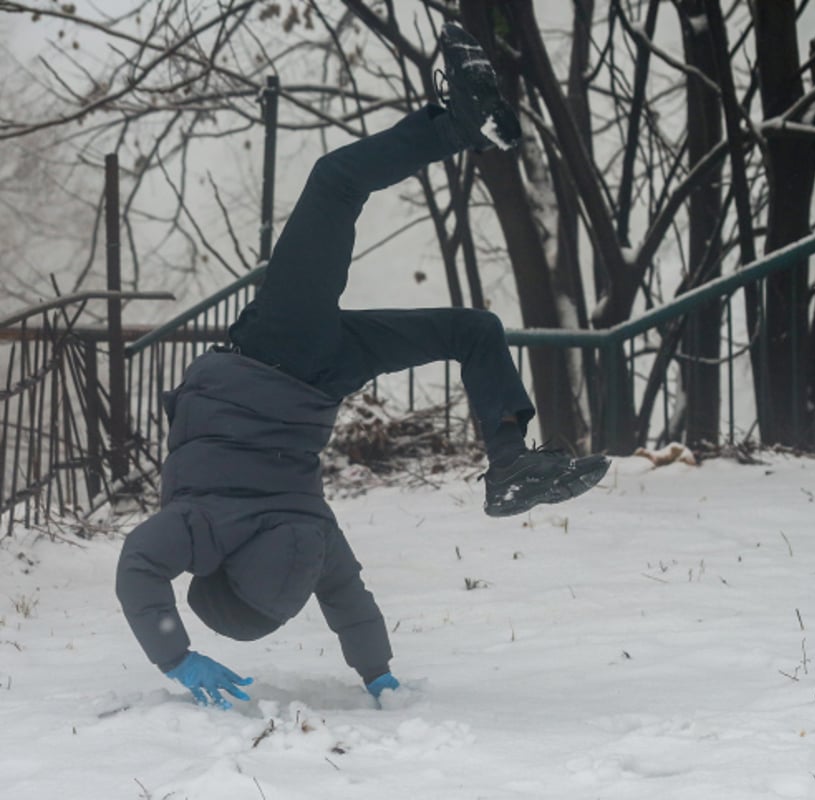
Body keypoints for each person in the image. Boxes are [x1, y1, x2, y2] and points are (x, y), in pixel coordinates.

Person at [115, 23, 609, 709]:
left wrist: (378, 675)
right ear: (220, 576)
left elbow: (348, 599)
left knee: (474, 332)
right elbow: (138, 569)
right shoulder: (206, 528)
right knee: (336, 183)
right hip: (274, 358)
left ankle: (509, 462)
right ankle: (460, 123)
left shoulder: (312, 534)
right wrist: (176, 658)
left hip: (316, 385)